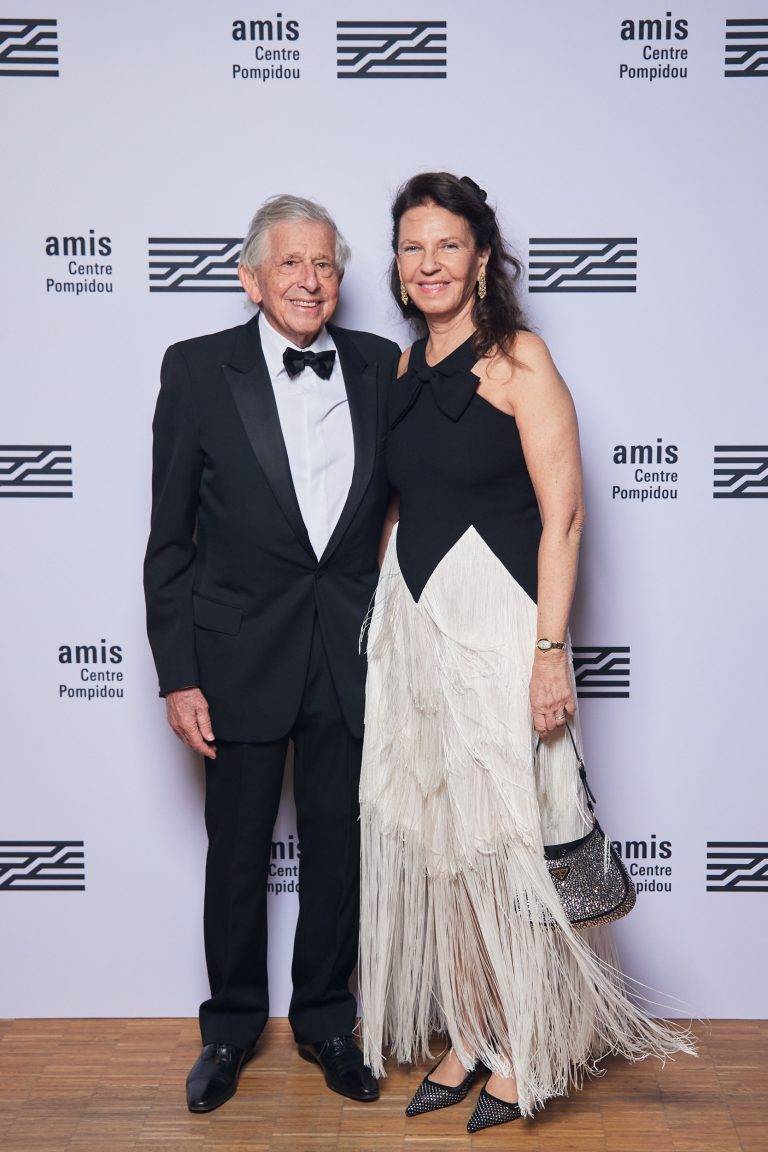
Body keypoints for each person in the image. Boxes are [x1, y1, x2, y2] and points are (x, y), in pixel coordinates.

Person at [356, 172, 698, 1133]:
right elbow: (401, 506)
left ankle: (528, 1042)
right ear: (398, 263)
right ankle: (472, 1029)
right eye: (413, 246)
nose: (429, 263)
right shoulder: (400, 371)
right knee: (445, 844)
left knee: (511, 841)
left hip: (500, 625)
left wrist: (550, 653)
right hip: (419, 628)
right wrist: (390, 624)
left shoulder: (520, 361)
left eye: (447, 246)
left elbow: (566, 517)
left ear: (481, 260)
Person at [143, 194, 399, 1113]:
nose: (310, 280)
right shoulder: (196, 368)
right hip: (238, 652)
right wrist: (179, 675)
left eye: (325, 263)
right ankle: (230, 1029)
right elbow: (168, 540)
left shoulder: (379, 364)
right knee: (238, 853)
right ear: (250, 279)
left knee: (340, 847)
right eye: (290, 263)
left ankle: (328, 1021)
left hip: (349, 648)